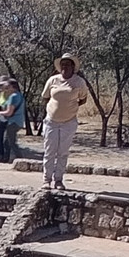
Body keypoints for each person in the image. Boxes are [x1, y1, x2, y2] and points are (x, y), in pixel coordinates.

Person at [40, 53, 90, 189]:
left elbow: (83, 99)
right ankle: (46, 180)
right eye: (63, 64)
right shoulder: (53, 80)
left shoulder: (79, 82)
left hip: (69, 122)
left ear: (73, 67)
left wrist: (70, 107)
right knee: (49, 151)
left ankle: (58, 180)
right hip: (51, 121)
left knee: (63, 152)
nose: (65, 67)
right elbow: (45, 97)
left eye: (67, 64)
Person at [0, 77, 25, 163]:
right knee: (7, 141)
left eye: (8, 85)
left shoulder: (13, 97)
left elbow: (9, 112)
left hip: (13, 122)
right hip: (18, 121)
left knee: (10, 142)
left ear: (12, 86)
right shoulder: (19, 95)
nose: (6, 87)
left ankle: (20, 159)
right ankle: (7, 159)